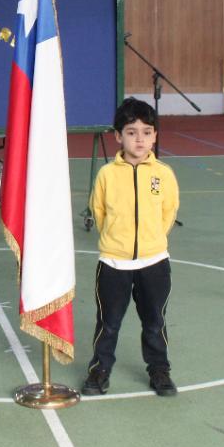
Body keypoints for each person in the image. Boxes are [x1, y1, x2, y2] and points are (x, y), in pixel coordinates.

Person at [83, 97, 181, 397]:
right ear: (118, 136)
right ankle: (100, 370)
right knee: (108, 323)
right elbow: (99, 211)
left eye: (147, 132)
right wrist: (116, 242)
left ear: (155, 136)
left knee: (154, 322)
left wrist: (152, 241)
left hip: (154, 263)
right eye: (131, 132)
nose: (140, 139)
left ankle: (159, 370)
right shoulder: (107, 174)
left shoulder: (163, 174)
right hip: (114, 264)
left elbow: (169, 211)